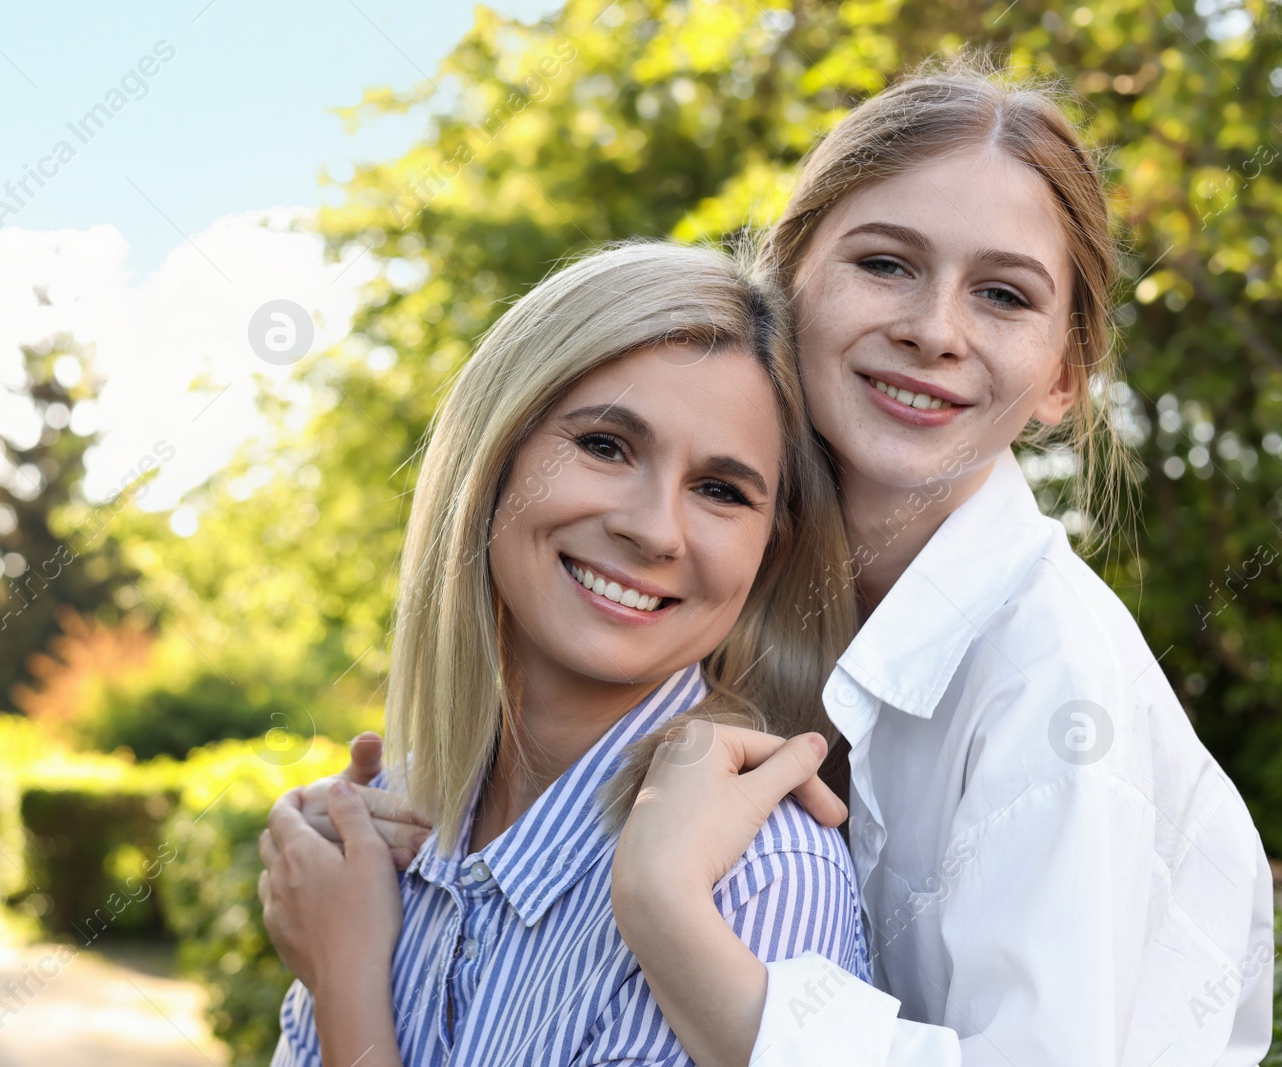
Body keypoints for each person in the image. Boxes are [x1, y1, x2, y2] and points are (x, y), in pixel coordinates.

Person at [283, 63, 1275, 1065]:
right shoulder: (752, 588)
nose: (932, 328)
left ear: (1062, 375)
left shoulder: (1052, 682)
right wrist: (444, 823)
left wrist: (663, 909)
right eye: (885, 264)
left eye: (1002, 294)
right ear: (786, 283)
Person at [258, 239, 870, 1067]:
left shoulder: (761, 877)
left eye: (721, 490)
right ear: (496, 452)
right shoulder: (395, 818)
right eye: (607, 445)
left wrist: (345, 981)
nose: (654, 529)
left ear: (770, 546)